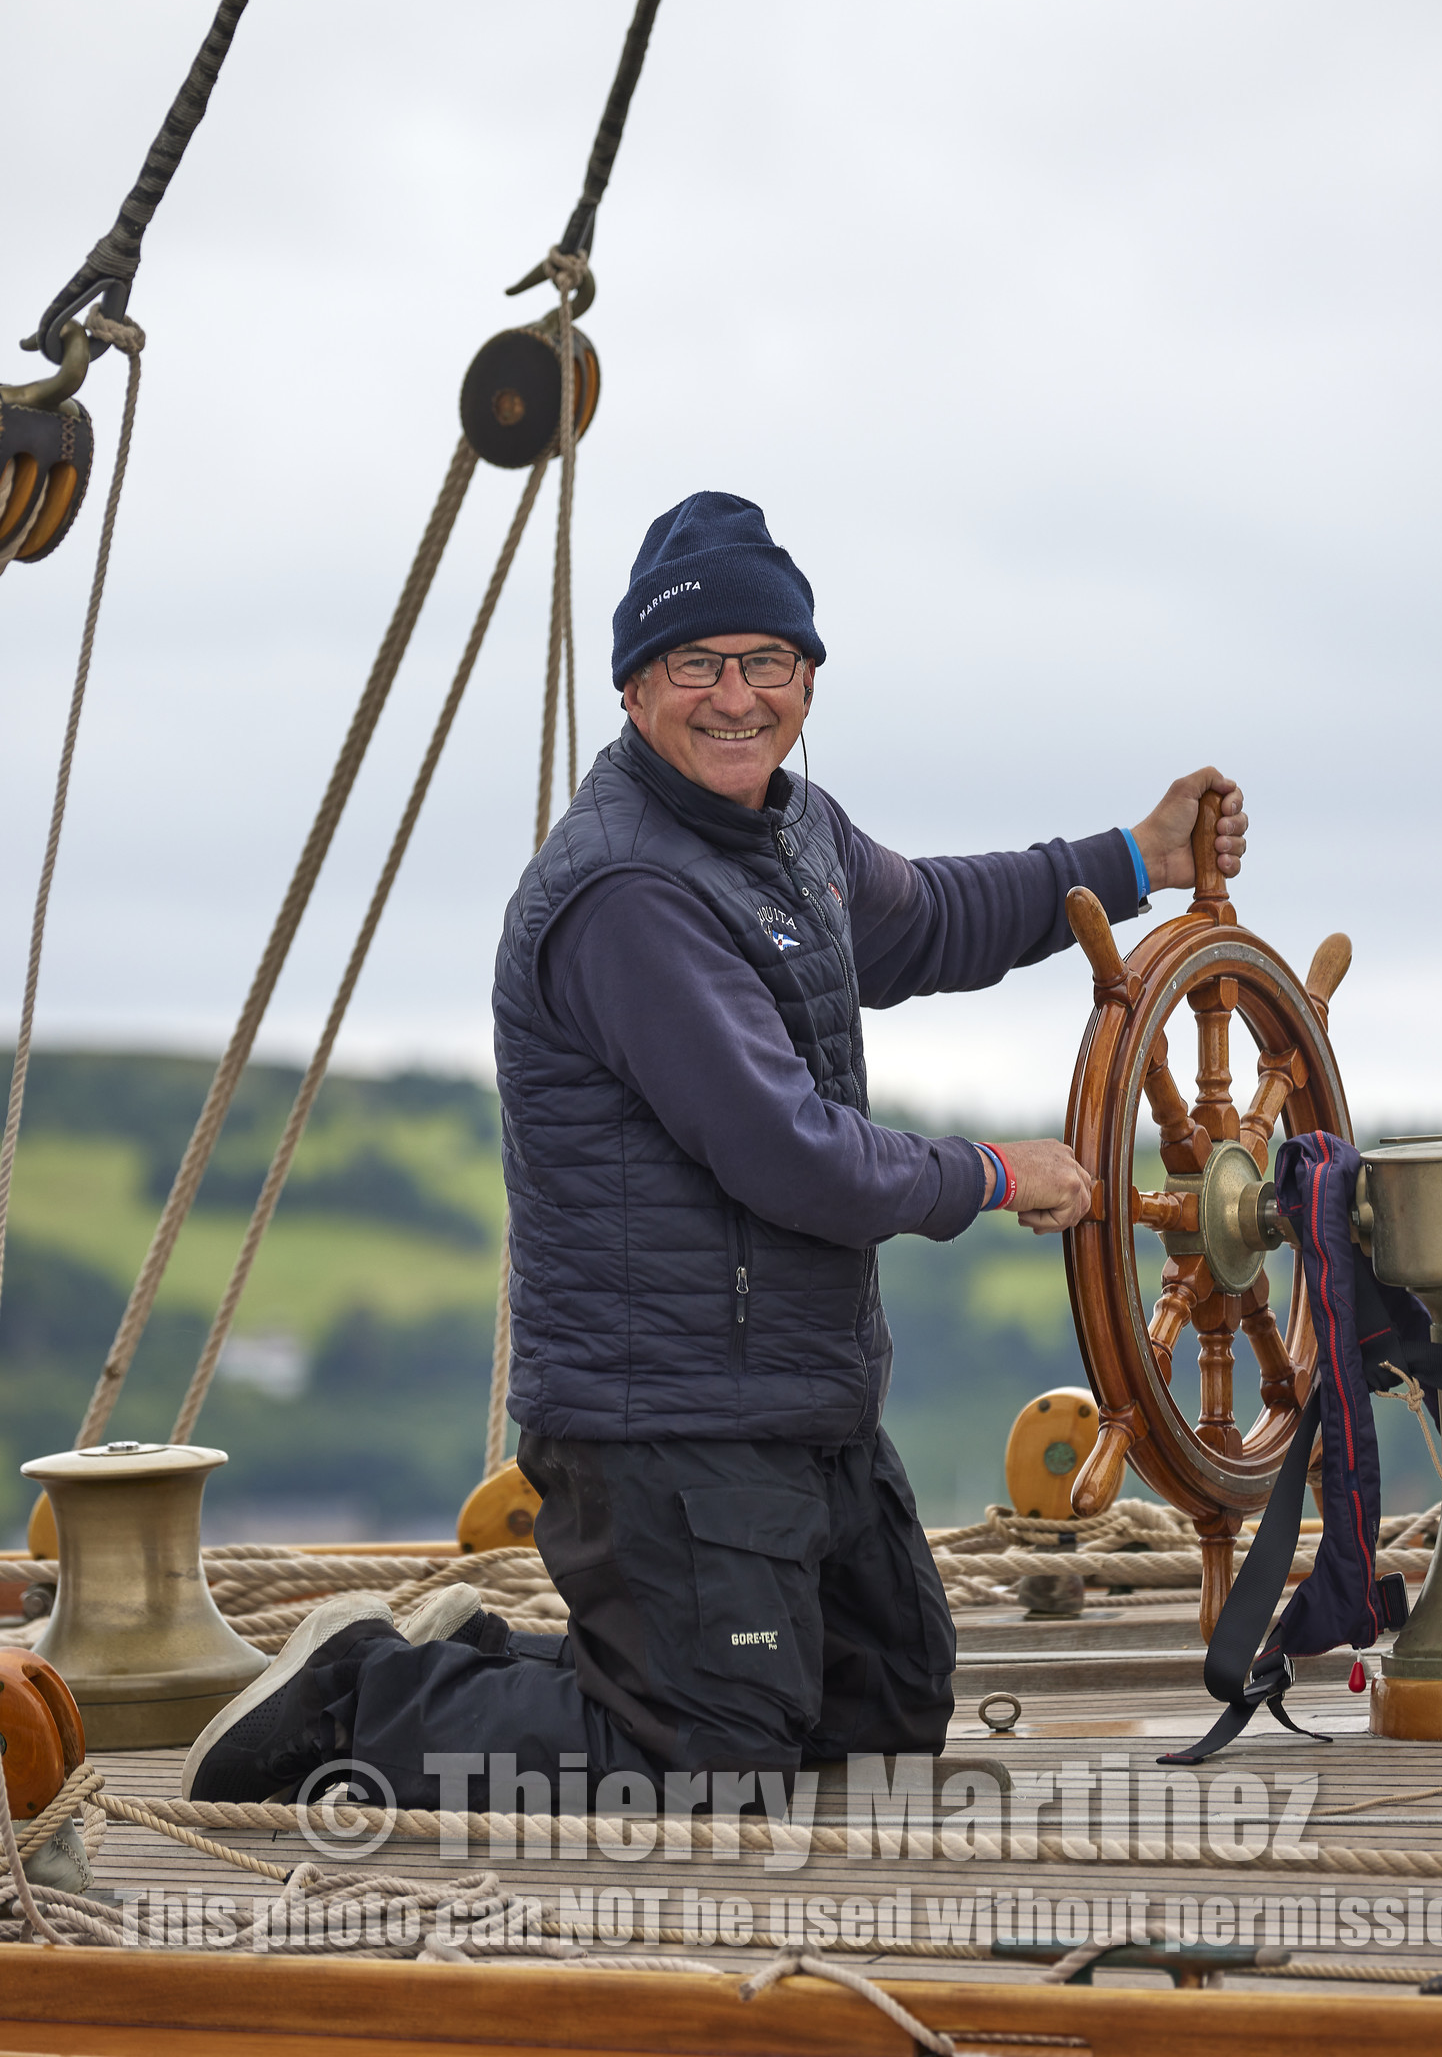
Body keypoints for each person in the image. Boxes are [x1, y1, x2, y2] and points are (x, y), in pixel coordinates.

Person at [183, 492, 1246, 1811]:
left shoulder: (795, 831)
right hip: (662, 1417)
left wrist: (1129, 858)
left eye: (769, 664)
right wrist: (988, 1174)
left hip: (799, 1399)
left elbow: (928, 921)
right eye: (697, 665)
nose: (736, 697)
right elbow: (788, 1156)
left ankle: (508, 1658)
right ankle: (362, 1691)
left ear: (807, 679)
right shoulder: (628, 895)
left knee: (886, 1710)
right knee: (710, 1758)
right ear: (636, 688)